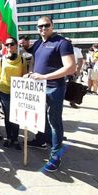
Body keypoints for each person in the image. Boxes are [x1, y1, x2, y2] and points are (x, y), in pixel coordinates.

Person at [26, 16, 75, 172]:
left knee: (54, 122)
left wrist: (45, 77)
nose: (43, 28)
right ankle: (41, 140)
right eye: (40, 26)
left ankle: (55, 156)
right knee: (39, 118)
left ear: (52, 25)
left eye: (46, 25)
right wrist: (31, 73)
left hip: (54, 88)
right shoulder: (38, 43)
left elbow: (70, 68)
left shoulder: (62, 43)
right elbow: (34, 62)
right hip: (38, 87)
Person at [0, 37, 27, 149]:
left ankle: (15, 138)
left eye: (11, 44)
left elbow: (24, 75)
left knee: (16, 116)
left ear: (16, 45)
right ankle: (9, 137)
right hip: (4, 91)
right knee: (8, 116)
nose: (9, 46)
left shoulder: (22, 60)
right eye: (6, 44)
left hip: (17, 92)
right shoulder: (1, 60)